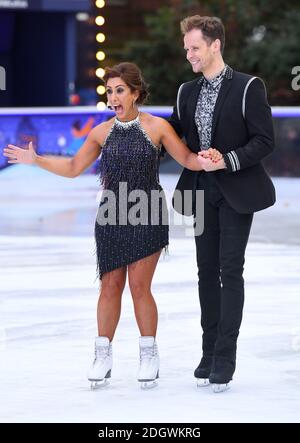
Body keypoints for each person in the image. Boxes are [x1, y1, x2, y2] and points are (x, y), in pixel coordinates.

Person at [3, 62, 220, 389]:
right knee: (110, 286)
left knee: (138, 286)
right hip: (111, 212)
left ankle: (149, 354)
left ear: (135, 92)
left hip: (147, 210)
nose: (114, 97)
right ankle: (102, 354)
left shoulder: (157, 127)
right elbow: (75, 166)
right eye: (110, 92)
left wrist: (207, 160)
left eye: (120, 90)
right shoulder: (100, 132)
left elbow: (188, 159)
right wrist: (38, 160)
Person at [169, 16, 276, 392]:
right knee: (205, 271)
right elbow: (173, 136)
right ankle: (208, 350)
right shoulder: (185, 91)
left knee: (229, 271)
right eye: (186, 49)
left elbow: (264, 140)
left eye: (195, 47)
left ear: (215, 45)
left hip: (236, 189)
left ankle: (225, 358)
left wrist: (226, 159)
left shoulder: (249, 87)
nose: (189, 55)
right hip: (200, 190)